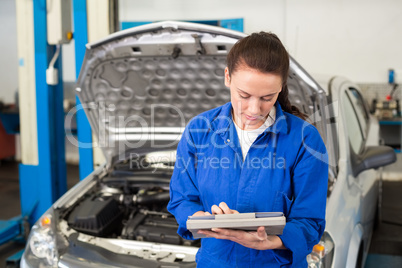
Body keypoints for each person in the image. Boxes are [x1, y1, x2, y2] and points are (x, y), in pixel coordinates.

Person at [167, 31, 328, 267]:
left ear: (281, 88)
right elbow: (182, 199)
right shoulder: (199, 131)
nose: (254, 109)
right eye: (244, 95)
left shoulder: (305, 141)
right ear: (227, 78)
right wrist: (202, 219)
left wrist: (270, 241)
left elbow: (309, 221)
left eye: (267, 97)